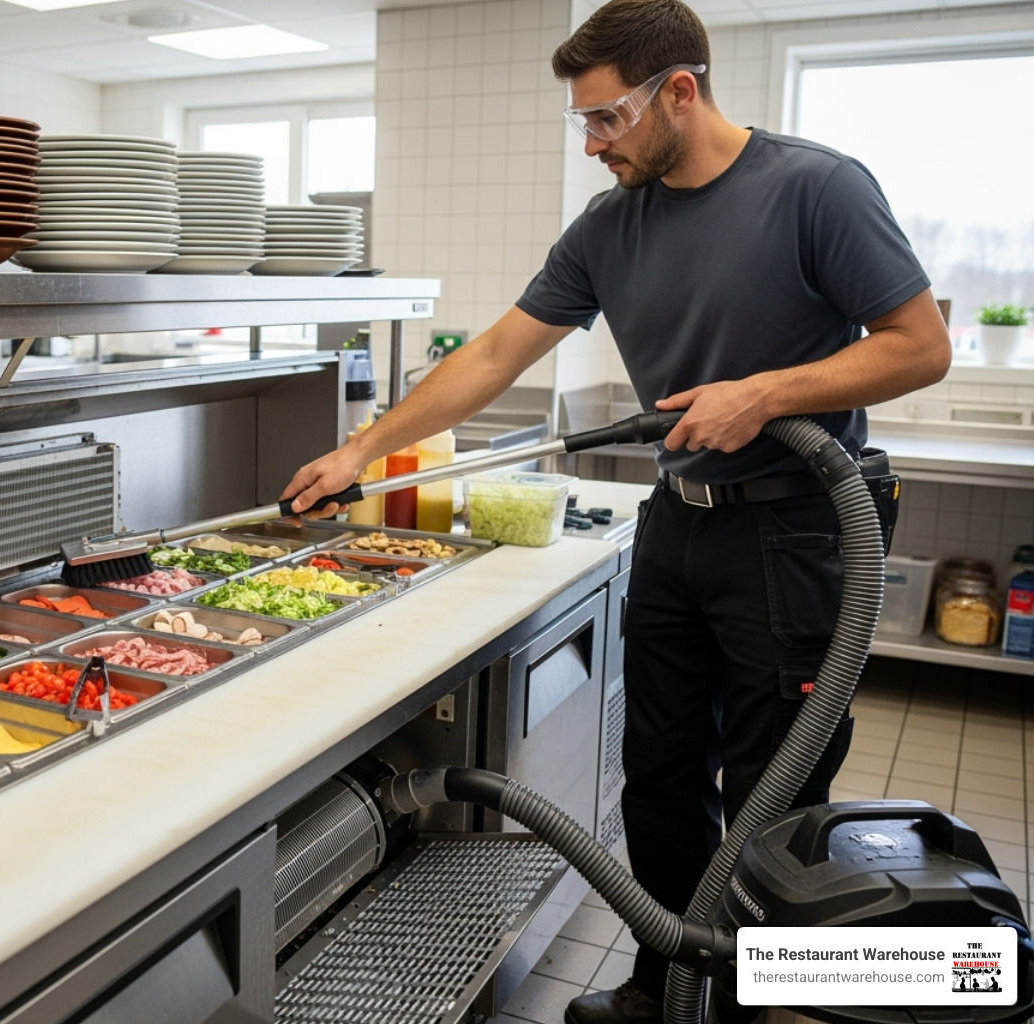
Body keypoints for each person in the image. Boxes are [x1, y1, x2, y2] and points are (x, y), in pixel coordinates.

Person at [279, 2, 951, 1022]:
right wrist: (361, 447)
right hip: (677, 523)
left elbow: (919, 345)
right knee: (659, 777)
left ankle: (743, 1007)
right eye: (582, 123)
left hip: (797, 528)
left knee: (774, 789)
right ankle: (661, 986)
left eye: (608, 119)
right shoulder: (609, 225)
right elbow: (497, 353)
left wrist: (765, 392)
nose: (594, 144)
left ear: (680, 90)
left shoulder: (816, 188)